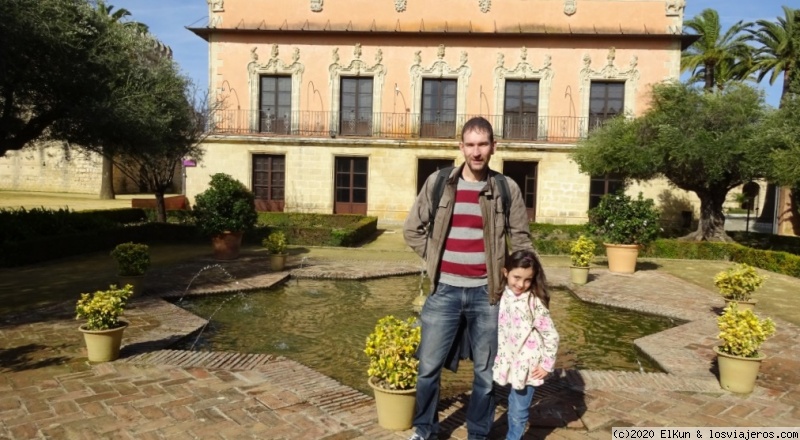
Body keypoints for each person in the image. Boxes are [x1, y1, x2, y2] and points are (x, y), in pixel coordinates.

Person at [403, 116, 534, 440]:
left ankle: (477, 433)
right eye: (471, 145)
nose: (476, 152)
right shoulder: (439, 183)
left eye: (483, 144)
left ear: (493, 147)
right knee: (427, 370)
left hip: (487, 295)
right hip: (443, 291)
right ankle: (425, 430)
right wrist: (436, 259)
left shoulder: (506, 188)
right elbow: (412, 229)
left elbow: (521, 241)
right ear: (461, 147)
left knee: (486, 375)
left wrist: (526, 284)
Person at [493, 250, 559, 440]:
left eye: (528, 280)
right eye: (517, 277)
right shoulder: (501, 295)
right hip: (510, 360)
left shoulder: (533, 301)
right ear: (506, 272)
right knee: (512, 401)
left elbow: (551, 335)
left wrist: (547, 364)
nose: (521, 284)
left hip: (528, 365)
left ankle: (513, 438)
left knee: (518, 409)